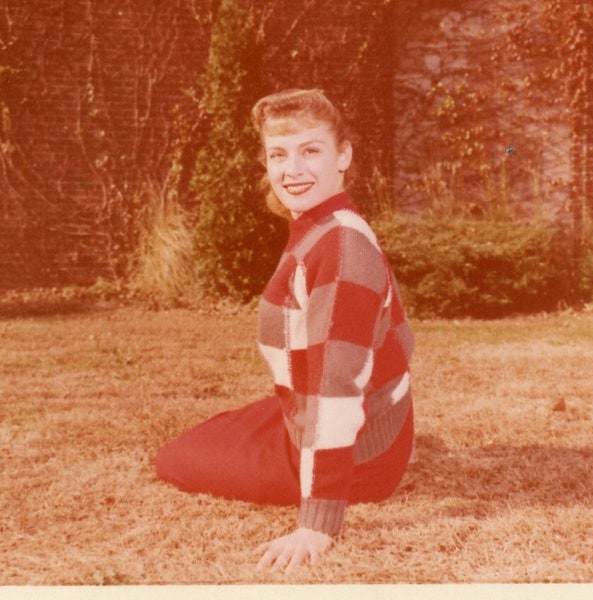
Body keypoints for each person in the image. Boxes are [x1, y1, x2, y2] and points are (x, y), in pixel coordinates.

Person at [155, 88, 415, 573]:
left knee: (173, 459)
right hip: (333, 415)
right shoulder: (322, 225)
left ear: (343, 155)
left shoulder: (341, 246)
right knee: (209, 434)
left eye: (310, 150)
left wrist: (318, 522)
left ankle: (312, 477)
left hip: (361, 456)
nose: (292, 170)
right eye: (279, 154)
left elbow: (335, 389)